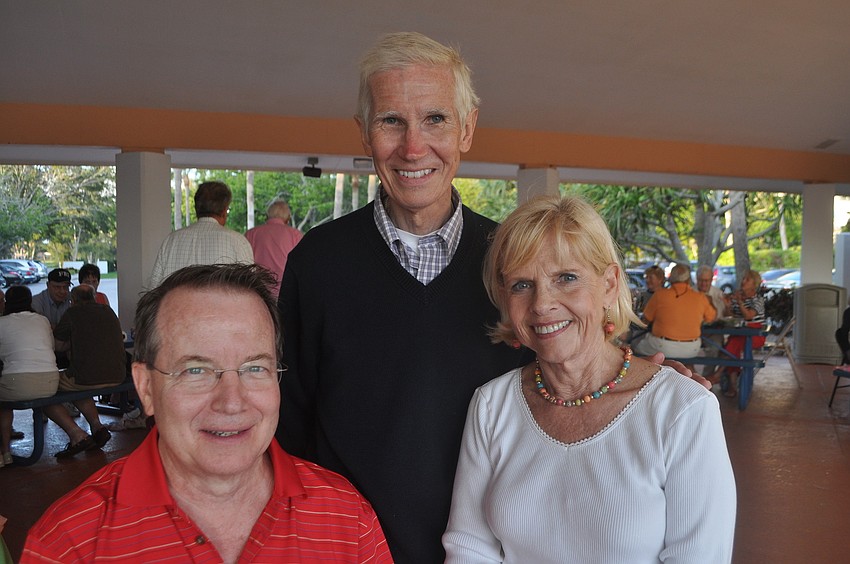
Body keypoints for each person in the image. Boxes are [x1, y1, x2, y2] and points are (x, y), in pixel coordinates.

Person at [278, 31, 700, 562]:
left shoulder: (515, 264)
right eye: (391, 121)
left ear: (468, 128)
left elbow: (571, 365)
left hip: (495, 548)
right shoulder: (318, 263)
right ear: (364, 133)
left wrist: (650, 383)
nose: (413, 148)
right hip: (351, 547)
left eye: (435, 119)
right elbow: (289, 421)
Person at [22, 264, 391, 562]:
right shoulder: (69, 543)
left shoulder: (348, 519)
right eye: (196, 370)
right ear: (146, 388)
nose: (232, 402)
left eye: (255, 368)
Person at [443, 195, 736, 562]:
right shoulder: (491, 405)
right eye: (521, 285)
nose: (541, 304)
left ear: (610, 284)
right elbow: (469, 548)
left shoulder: (683, 410)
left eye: (566, 278)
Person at [46, 284, 126, 457]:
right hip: (118, 376)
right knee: (78, 384)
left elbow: (58, 345)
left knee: (44, 389)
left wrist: (74, 342)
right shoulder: (108, 311)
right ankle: (97, 427)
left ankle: (77, 434)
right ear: (94, 297)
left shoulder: (72, 313)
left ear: (73, 300)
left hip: (86, 378)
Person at [148, 180, 254, 287]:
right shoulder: (238, 241)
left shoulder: (172, 241)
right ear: (224, 211)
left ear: (196, 209)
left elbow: (154, 288)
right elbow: (251, 287)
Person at [0, 286, 61, 468]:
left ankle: (5, 452)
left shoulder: (2, 323)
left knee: (3, 403)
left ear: (8, 302)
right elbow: (52, 347)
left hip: (18, 383)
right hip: (50, 382)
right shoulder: (43, 320)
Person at [634, 263, 717, 360]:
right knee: (685, 362)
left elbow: (645, 320)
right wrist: (711, 302)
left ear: (671, 279)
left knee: (635, 346)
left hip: (663, 346)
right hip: (691, 349)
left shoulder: (660, 295)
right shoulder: (701, 297)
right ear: (688, 280)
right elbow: (712, 318)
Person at [708, 269, 766, 397]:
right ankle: (731, 385)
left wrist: (739, 302)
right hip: (738, 333)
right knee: (732, 348)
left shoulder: (758, 300)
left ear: (754, 284)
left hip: (754, 335)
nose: (743, 281)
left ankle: (719, 375)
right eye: (743, 279)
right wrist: (728, 305)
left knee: (732, 346)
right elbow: (729, 316)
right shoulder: (737, 297)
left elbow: (749, 316)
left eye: (747, 279)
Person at [245, 198, 303, 297]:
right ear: (288, 218)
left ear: (267, 216)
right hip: (286, 291)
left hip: (258, 290)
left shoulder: (251, 234)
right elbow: (301, 266)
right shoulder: (295, 235)